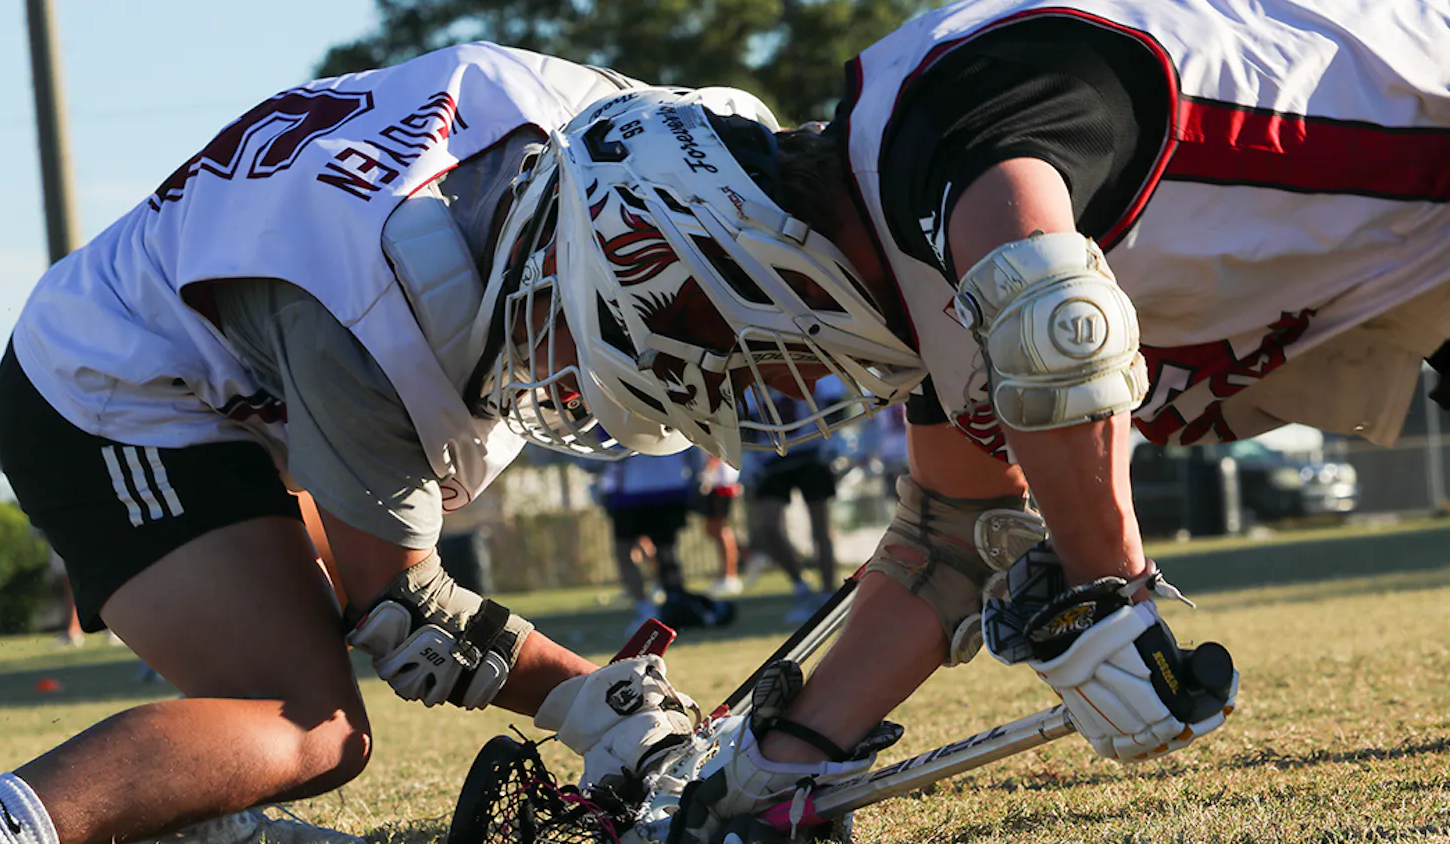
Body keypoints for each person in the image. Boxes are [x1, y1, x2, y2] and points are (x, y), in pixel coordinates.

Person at [467, 0, 1449, 838]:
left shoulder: (944, 129)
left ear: (726, 263)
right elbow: (949, 546)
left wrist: (1099, 593)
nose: (759, 397)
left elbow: (1055, 318)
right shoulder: (923, 261)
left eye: (718, 365)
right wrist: (769, 767)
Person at [0, 44, 784, 844]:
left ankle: (196, 820)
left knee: (303, 676)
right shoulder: (376, 307)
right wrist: (593, 703)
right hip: (106, 387)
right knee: (310, 723)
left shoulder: (588, 129)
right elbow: (408, 615)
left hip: (217, 366)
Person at [597, 451, 733, 634]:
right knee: (663, 550)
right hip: (668, 486)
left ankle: (653, 608)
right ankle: (664, 604)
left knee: (633, 551)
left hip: (636, 489)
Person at [740, 385, 842, 624]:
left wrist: (834, 437)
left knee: (820, 526)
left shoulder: (794, 360)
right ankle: (802, 589)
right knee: (767, 526)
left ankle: (828, 592)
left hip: (811, 450)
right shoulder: (746, 380)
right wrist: (747, 455)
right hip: (771, 457)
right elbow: (743, 422)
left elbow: (832, 403)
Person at [693, 454, 745, 598]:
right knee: (712, 529)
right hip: (717, 483)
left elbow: (714, 452)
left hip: (719, 484)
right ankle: (732, 571)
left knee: (720, 530)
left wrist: (707, 475)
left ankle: (730, 576)